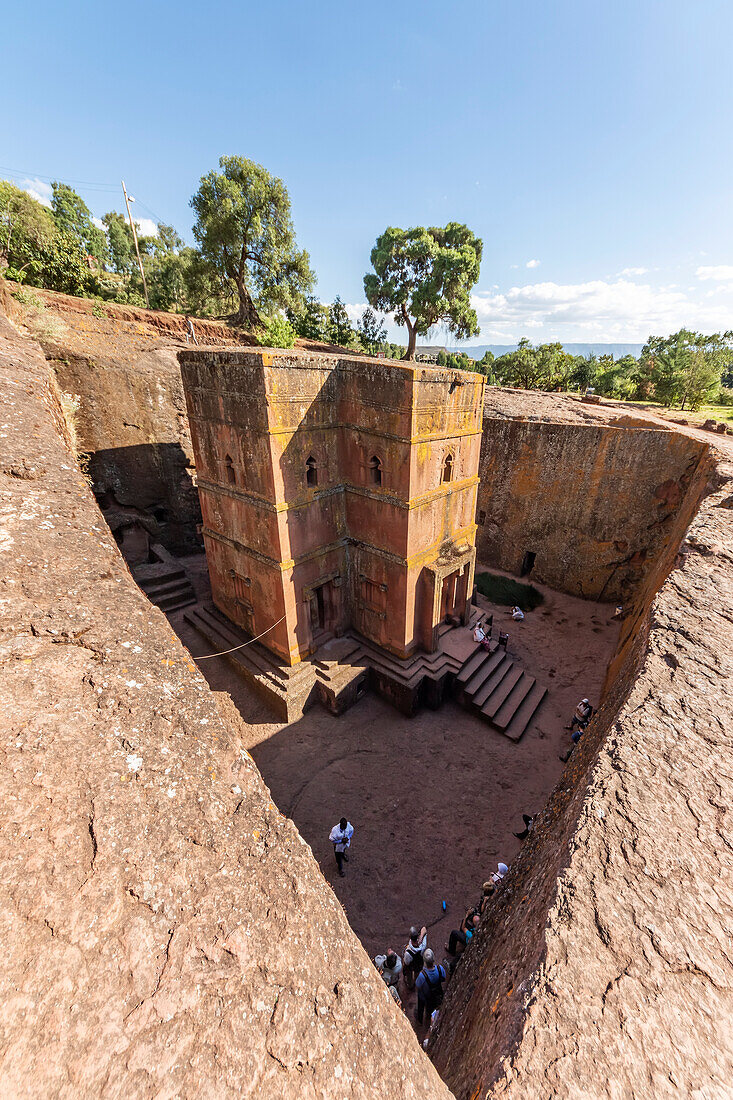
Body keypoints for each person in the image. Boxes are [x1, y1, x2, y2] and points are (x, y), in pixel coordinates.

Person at [415, 949, 447, 1025]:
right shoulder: (440, 969)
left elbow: (418, 985)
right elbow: (443, 978)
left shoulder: (422, 975)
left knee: (421, 1001)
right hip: (437, 992)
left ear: (424, 962)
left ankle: (420, 1019)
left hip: (426, 995)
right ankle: (430, 1014)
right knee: (434, 1006)